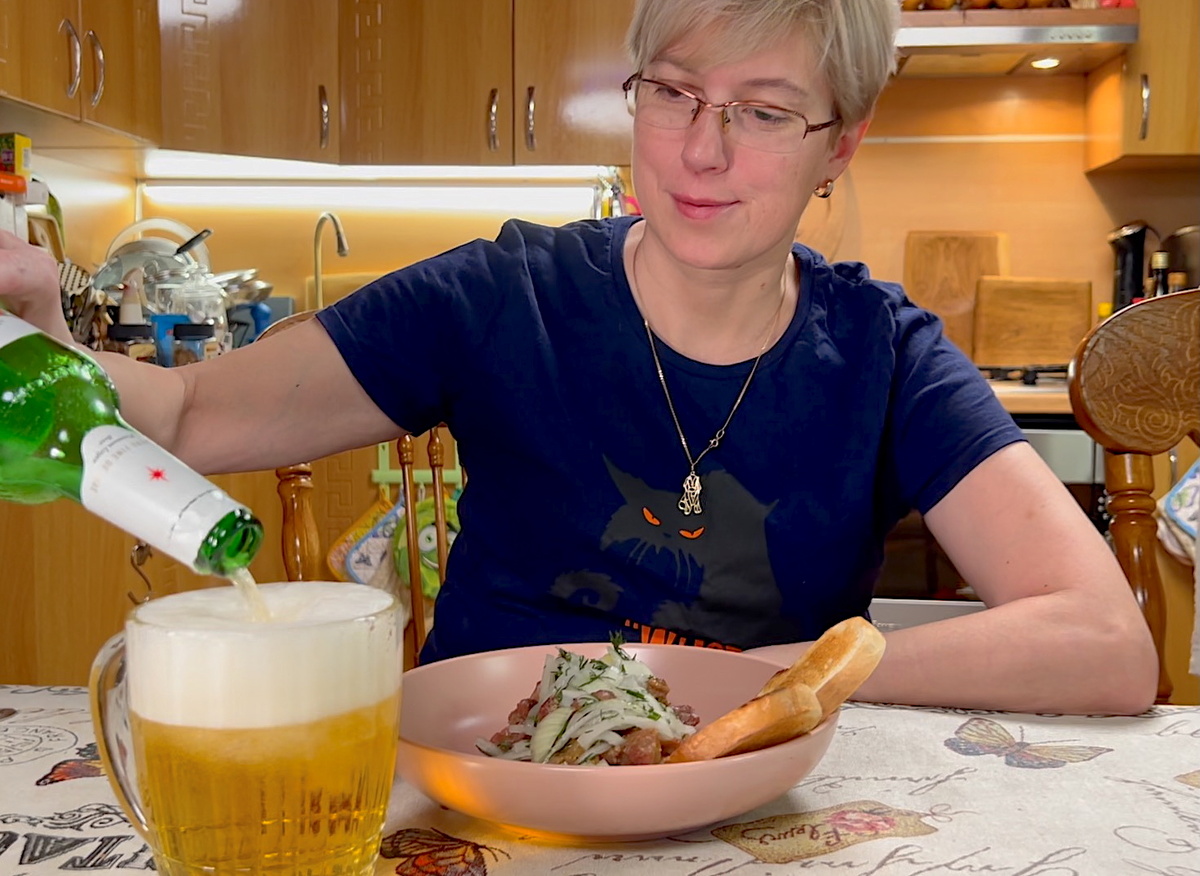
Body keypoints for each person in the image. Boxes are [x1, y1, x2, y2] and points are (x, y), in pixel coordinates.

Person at [0, 0, 1157, 715]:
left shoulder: (883, 353)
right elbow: (190, 416)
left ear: (839, 146)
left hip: (743, 803)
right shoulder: (504, 295)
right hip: (480, 793)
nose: (703, 150)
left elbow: (1106, 645)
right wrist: (44, 341)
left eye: (764, 112)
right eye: (675, 93)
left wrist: (790, 676)